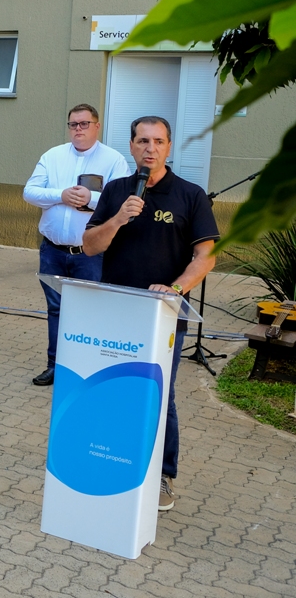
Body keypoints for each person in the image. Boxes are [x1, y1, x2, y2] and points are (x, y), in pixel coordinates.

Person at [83, 115, 219, 512]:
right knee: (110, 386)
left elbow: (206, 255)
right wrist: (118, 219)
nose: (150, 148)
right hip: (114, 310)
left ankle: (163, 474)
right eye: (143, 140)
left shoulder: (190, 195)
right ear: (131, 146)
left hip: (161, 315)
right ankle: (108, 458)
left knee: (158, 393)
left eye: (158, 141)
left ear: (169, 147)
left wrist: (176, 288)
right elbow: (90, 246)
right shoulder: (117, 191)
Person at [23, 104, 129, 386]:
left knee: (90, 312)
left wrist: (91, 199)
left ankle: (86, 370)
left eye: (84, 124)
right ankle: (55, 366)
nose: (78, 129)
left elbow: (121, 204)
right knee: (56, 309)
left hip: (90, 255)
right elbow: (29, 191)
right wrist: (61, 195)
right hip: (53, 251)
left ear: (97, 126)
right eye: (73, 124)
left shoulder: (114, 160)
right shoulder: (53, 155)